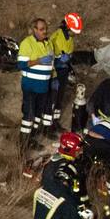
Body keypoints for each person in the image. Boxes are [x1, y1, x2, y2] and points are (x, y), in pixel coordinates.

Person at [17, 18, 56, 149]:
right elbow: (21, 65)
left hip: (43, 87)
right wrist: (39, 60)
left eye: (45, 28)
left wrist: (53, 78)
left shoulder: (49, 43)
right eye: (41, 29)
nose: (45, 31)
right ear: (34, 30)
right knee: (29, 115)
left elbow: (51, 63)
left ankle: (31, 140)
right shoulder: (27, 43)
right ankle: (22, 145)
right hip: (31, 87)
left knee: (37, 116)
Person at [49, 12, 82, 127]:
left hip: (63, 71)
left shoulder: (69, 38)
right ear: (68, 26)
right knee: (52, 99)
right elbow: (48, 56)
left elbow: (69, 54)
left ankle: (55, 122)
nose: (75, 34)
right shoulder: (56, 37)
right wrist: (58, 58)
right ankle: (48, 125)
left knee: (59, 98)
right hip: (54, 73)